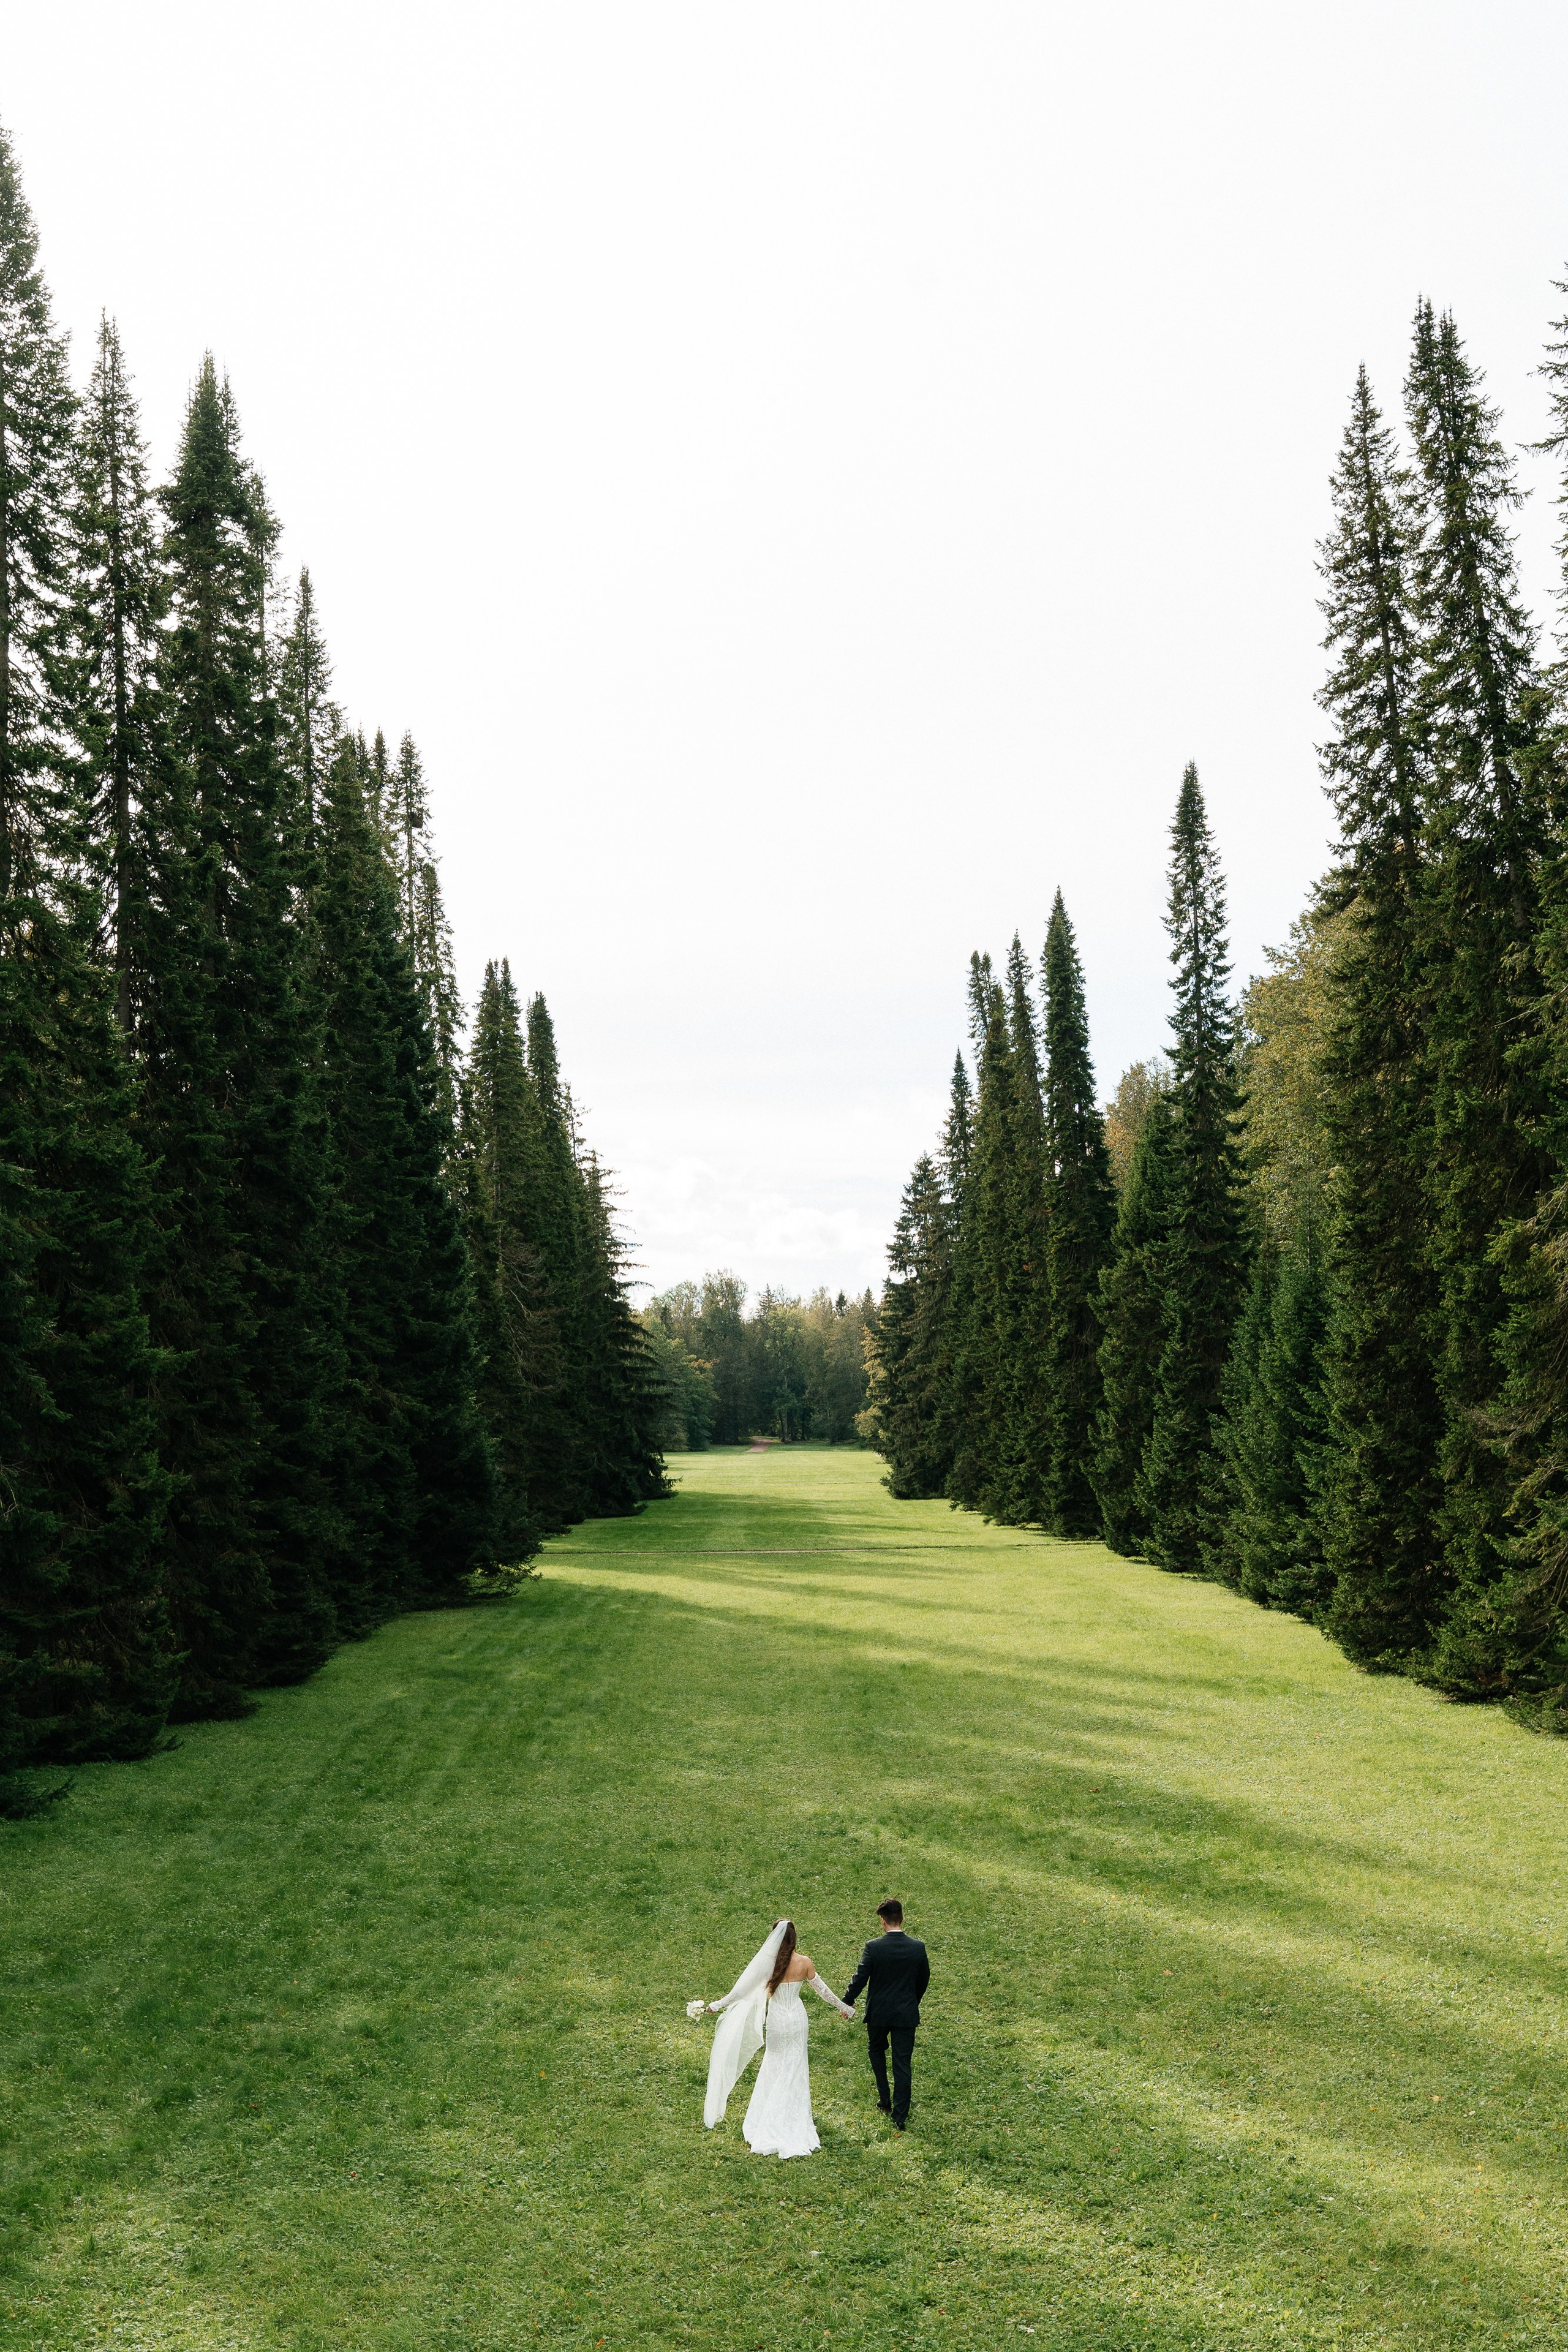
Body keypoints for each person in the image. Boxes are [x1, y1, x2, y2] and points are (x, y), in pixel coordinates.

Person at [692, 1917, 853, 2158]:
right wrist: (845, 2007)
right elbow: (823, 1991)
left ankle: (769, 2113)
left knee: (775, 2062)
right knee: (795, 2063)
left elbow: (741, 1990)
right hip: (797, 2019)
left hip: (778, 2019)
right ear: (795, 1938)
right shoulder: (805, 1963)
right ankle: (793, 2113)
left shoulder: (769, 1965)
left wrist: (718, 2004)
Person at [842, 1899, 929, 2130]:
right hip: (906, 2013)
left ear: (883, 1921)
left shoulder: (874, 1947)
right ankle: (900, 2116)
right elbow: (923, 1981)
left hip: (878, 2012)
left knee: (876, 2049)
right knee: (902, 2063)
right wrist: (912, 2002)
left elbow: (860, 1978)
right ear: (902, 1918)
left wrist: (847, 2002)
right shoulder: (917, 1947)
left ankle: (885, 2098)